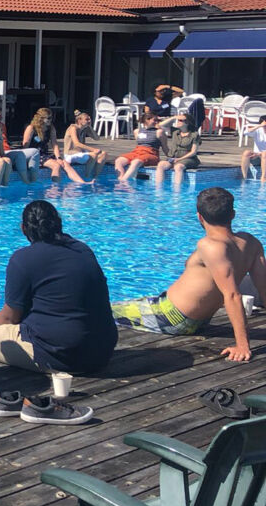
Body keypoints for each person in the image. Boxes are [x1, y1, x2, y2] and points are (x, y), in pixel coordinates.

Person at [112, 187, 266, 360]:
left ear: (199, 217)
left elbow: (232, 295)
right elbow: (264, 288)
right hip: (179, 313)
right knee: (125, 305)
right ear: (233, 214)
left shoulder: (210, 246)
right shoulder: (251, 242)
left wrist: (242, 345)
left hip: (172, 317)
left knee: (105, 310)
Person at [0, 201, 117, 375]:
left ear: (23, 228)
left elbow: (10, 319)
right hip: (102, 351)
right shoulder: (82, 249)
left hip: (62, 355)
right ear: (59, 223)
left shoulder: (23, 259)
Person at [20, 108, 85, 183]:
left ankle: (82, 182)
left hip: (44, 154)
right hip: (34, 156)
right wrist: (25, 160)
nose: (51, 120)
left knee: (64, 163)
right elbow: (25, 145)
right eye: (49, 118)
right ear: (41, 118)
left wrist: (59, 158)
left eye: (51, 117)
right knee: (56, 165)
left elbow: (54, 144)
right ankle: (55, 189)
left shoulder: (50, 128)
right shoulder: (31, 128)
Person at [114, 111, 165, 181]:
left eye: (158, 120)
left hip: (151, 153)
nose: (157, 122)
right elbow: (139, 144)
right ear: (147, 120)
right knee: (119, 161)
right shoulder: (137, 131)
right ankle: (120, 179)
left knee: (136, 162)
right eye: (155, 120)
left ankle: (124, 182)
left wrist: (172, 157)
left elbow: (165, 147)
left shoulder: (159, 132)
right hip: (137, 152)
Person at [156, 111, 200, 185]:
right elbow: (159, 125)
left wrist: (179, 159)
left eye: (180, 120)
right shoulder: (175, 132)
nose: (177, 121)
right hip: (173, 158)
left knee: (178, 167)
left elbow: (193, 152)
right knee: (161, 164)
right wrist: (174, 117)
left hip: (188, 159)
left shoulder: (194, 135)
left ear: (187, 123)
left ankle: (177, 191)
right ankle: (159, 188)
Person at [62, 109, 106, 181]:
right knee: (93, 154)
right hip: (70, 154)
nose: (89, 121)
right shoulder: (73, 128)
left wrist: (90, 126)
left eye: (89, 119)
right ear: (79, 120)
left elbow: (97, 138)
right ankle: (87, 176)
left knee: (104, 154)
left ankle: (95, 176)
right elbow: (76, 143)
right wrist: (93, 150)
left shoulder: (85, 128)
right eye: (87, 119)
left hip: (80, 153)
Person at [242, 117, 266, 182]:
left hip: (263, 156)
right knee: (246, 153)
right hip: (257, 157)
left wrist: (260, 154)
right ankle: (244, 176)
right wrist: (259, 126)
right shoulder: (258, 130)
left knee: (264, 153)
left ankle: (263, 177)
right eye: (264, 126)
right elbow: (245, 132)